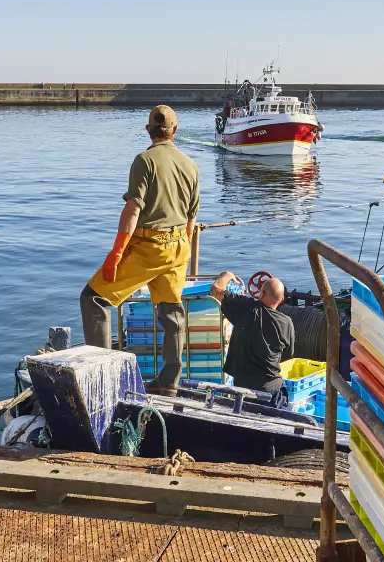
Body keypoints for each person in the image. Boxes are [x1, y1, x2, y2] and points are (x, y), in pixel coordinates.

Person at [80, 105, 199, 395]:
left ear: (149, 129)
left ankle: (102, 377)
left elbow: (133, 209)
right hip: (179, 246)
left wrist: (116, 253)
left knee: (94, 299)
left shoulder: (144, 160)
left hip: (150, 246)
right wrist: (178, 251)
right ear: (175, 131)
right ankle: (169, 381)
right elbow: (191, 219)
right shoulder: (190, 165)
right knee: (172, 312)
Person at [209, 271, 295, 408]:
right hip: (272, 391)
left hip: (243, 390)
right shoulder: (287, 322)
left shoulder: (245, 308)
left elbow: (216, 289)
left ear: (260, 294)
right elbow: (288, 354)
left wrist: (228, 276)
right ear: (281, 299)